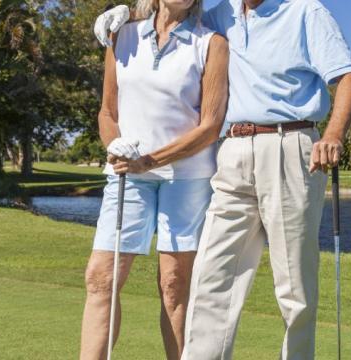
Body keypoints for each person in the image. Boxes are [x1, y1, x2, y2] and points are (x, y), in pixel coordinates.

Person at [94, 0, 351, 358]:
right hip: (232, 152)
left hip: (289, 145)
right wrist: (125, 13)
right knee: (210, 279)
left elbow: (347, 77)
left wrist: (333, 136)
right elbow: (170, 16)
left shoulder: (305, 11)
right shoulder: (223, 15)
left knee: (293, 287)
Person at [81, 1, 228, 359]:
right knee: (101, 277)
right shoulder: (123, 34)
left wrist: (150, 160)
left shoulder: (210, 43)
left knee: (174, 285)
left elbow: (210, 126)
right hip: (127, 174)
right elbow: (107, 111)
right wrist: (113, 144)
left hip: (187, 178)